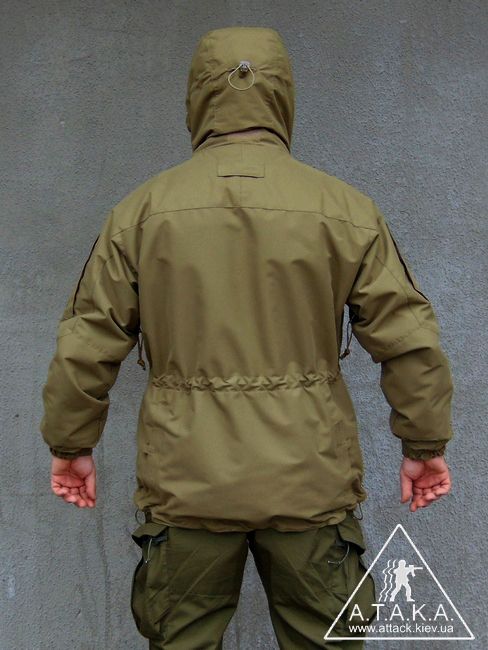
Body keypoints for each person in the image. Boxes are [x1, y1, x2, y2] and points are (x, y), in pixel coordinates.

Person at [40, 26, 454, 649]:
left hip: (186, 482)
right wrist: (423, 444)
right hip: (311, 479)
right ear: (283, 95)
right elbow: (409, 340)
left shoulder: (141, 213)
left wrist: (71, 443)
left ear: (198, 97)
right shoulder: (346, 210)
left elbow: (87, 343)